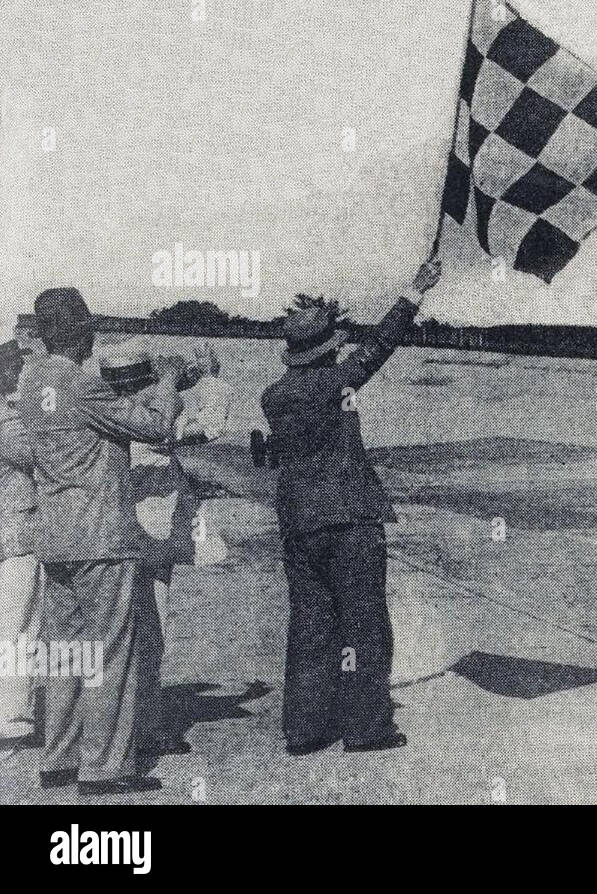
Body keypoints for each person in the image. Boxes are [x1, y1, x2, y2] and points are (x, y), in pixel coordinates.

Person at [261, 256, 441, 755]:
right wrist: (414, 292)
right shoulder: (334, 383)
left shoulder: (274, 397)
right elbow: (379, 347)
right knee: (363, 621)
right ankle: (366, 727)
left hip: (299, 520)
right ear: (329, 349)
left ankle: (304, 727)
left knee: (310, 623)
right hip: (349, 518)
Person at [18, 287, 187, 795]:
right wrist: (167, 381)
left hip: (56, 536)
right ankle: (104, 767)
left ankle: (58, 758)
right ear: (84, 330)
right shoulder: (83, 386)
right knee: (111, 651)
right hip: (101, 536)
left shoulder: (32, 386)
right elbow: (155, 428)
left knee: (65, 652)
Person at [100, 344, 232, 759]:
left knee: (111, 634)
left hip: (105, 531)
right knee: (148, 633)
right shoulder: (153, 421)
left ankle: (108, 728)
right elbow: (210, 426)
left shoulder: (98, 412)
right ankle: (145, 727)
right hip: (151, 537)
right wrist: (207, 378)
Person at [0, 339, 41, 745]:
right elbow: (38, 455)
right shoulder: (8, 421)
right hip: (15, 532)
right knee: (17, 626)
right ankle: (11, 714)